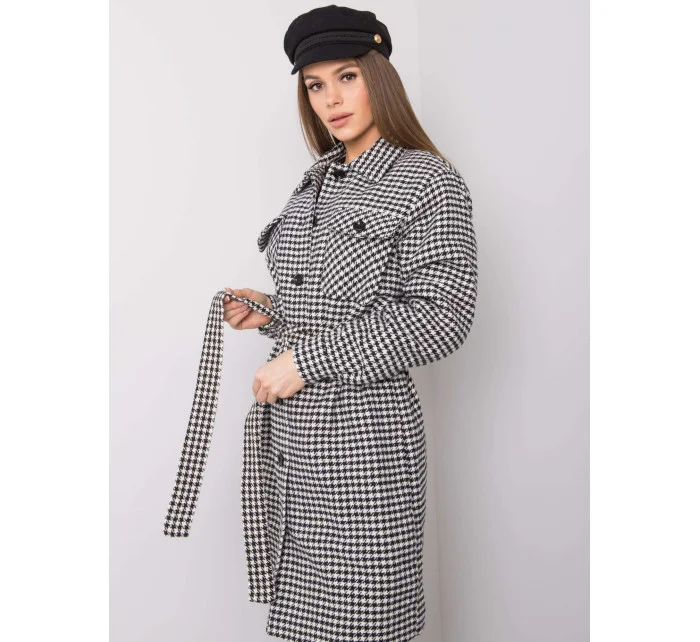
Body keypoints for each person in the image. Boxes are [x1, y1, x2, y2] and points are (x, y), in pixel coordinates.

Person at [223, 5, 478, 641]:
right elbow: (331, 301)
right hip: (294, 448)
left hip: (365, 452)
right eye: (315, 85)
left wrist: (306, 361)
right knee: (305, 627)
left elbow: (442, 315)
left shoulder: (428, 181)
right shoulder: (316, 182)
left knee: (365, 626)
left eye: (346, 77)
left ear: (378, 76)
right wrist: (269, 310)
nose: (331, 100)